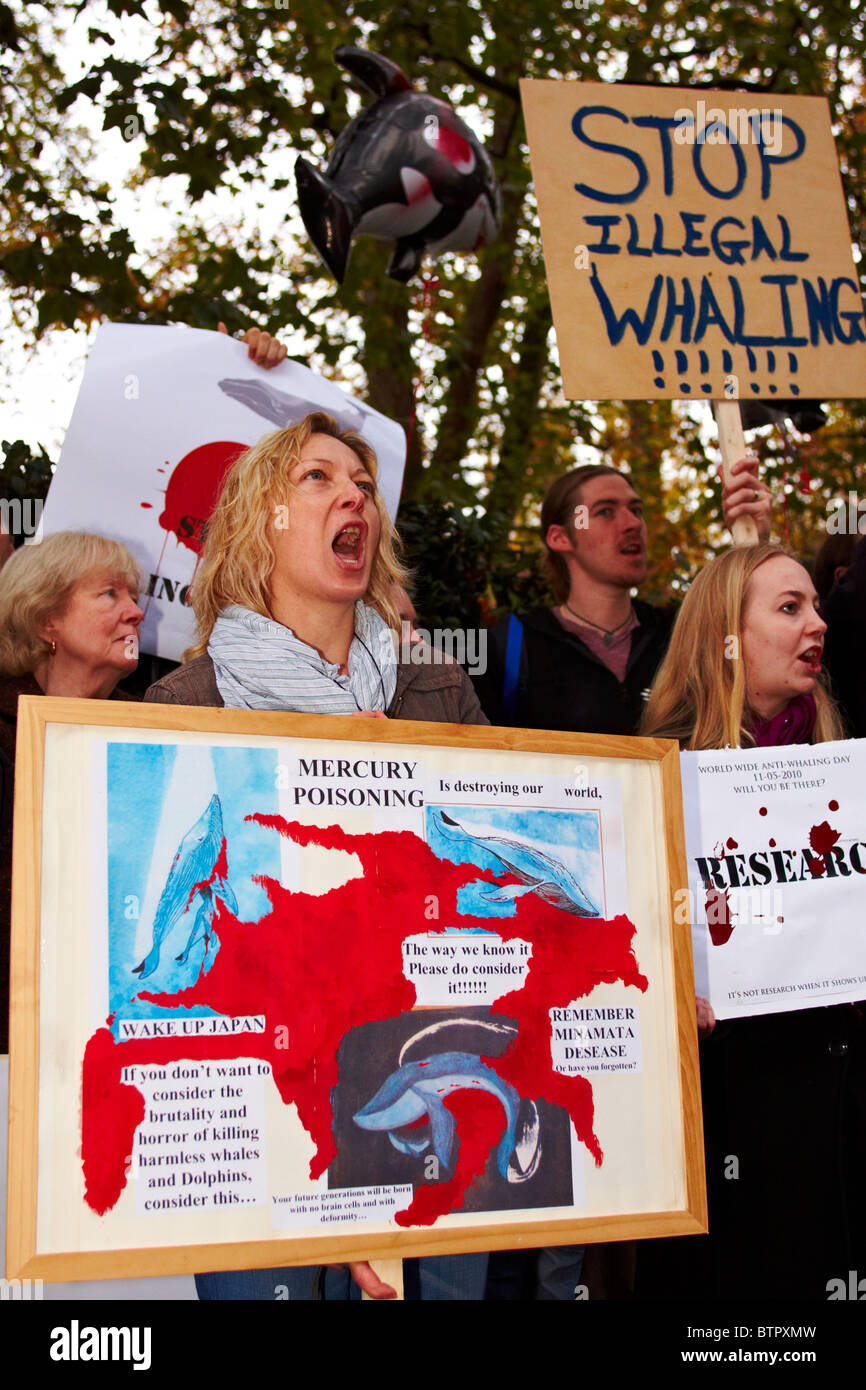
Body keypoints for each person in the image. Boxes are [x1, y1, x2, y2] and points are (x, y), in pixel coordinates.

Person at [145, 410, 489, 1300]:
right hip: (259, 1116)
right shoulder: (186, 704)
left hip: (425, 1087)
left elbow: (497, 894)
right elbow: (173, 929)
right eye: (319, 479)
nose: (355, 499)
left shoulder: (438, 694)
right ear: (258, 521)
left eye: (364, 486)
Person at [474, 456, 770, 1299]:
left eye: (636, 507)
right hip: (553, 948)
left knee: (656, 1158)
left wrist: (754, 534)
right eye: (605, 511)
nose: (631, 522)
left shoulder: (682, 634)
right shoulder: (510, 643)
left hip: (675, 933)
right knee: (554, 1160)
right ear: (559, 538)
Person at [637, 543, 864, 1300]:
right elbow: (621, 948)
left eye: (817, 606)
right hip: (715, 1108)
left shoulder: (844, 767)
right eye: (790, 608)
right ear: (725, 636)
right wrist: (669, 993)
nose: (818, 624)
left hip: (833, 1100)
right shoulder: (652, 769)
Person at [0, 532, 144, 1053]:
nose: (135, 612)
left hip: (118, 1026)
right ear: (47, 620)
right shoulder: (4, 732)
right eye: (110, 594)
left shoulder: (152, 730)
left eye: (134, 597)